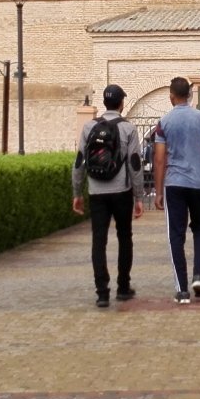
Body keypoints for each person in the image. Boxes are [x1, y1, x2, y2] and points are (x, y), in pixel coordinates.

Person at [153, 75, 200, 303]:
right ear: (189, 95)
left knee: (175, 235)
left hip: (174, 183)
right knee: (199, 228)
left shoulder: (163, 123)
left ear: (171, 98)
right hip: (198, 183)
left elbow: (159, 159)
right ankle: (198, 275)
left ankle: (182, 290)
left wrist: (158, 191)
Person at [73, 84, 145, 308]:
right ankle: (123, 287)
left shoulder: (88, 127)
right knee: (125, 237)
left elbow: (79, 163)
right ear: (122, 103)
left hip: (96, 192)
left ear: (104, 102)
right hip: (121, 192)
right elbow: (135, 164)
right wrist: (139, 196)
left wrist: (77, 192)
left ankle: (102, 292)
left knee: (98, 241)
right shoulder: (127, 129)